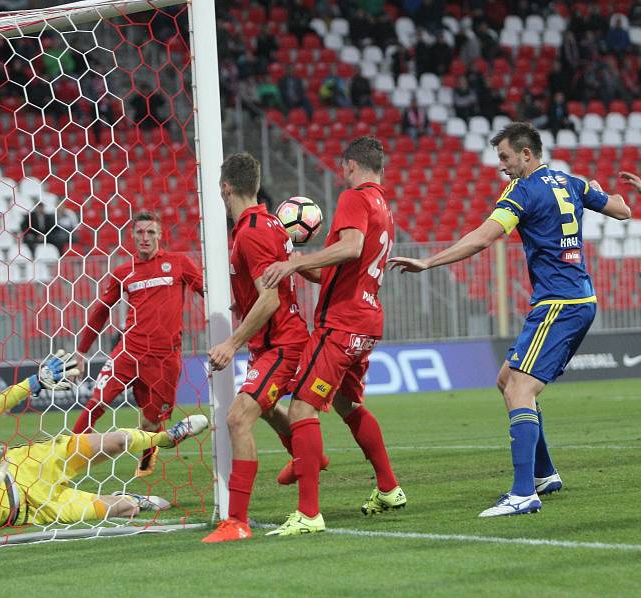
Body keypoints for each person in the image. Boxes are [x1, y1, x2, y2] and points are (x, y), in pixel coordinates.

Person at [389, 122, 631, 517]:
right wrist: (621, 192)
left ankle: (522, 494)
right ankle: (543, 474)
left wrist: (429, 260)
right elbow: (621, 211)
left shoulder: (523, 190)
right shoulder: (570, 182)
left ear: (526, 154)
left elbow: (484, 237)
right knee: (507, 379)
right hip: (576, 298)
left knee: (520, 390)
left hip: (559, 303)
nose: (501, 165)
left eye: (504, 157)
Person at [261, 137, 406, 536]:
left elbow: (351, 247)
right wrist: (298, 264)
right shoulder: (383, 206)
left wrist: (297, 264)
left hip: (341, 323)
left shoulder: (354, 198)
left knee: (302, 408)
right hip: (367, 320)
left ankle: (309, 513)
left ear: (348, 166)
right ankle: (389, 488)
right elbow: (342, 269)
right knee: (347, 402)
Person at [0, 351, 209, 534]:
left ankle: (165, 438)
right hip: (37, 509)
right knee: (126, 509)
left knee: (117, 441)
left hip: (31, 464)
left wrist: (32, 383)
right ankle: (128, 498)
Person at [200, 153, 324, 543]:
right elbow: (268, 289)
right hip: (273, 339)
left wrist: (230, 344)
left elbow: (269, 300)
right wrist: (244, 301)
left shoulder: (251, 232)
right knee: (267, 409)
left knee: (239, 418)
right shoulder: (267, 221)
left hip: (281, 343)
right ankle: (309, 455)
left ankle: (237, 521)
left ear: (224, 187)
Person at [73, 211, 203, 478]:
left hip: (165, 359)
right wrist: (81, 350)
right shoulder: (124, 272)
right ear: (132, 236)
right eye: (140, 232)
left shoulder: (179, 263)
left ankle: (147, 458)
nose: (145, 238)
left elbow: (207, 290)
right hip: (129, 351)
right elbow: (101, 310)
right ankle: (65, 455)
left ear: (160, 235)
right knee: (96, 403)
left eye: (151, 232)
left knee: (150, 422)